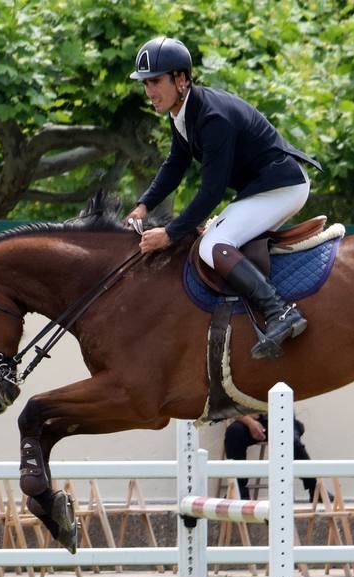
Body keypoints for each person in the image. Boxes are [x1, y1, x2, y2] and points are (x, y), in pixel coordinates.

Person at [124, 36, 322, 360]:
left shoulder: (212, 118)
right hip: (263, 189)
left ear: (181, 79)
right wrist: (144, 204)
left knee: (212, 245)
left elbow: (212, 191)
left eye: (155, 81)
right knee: (215, 239)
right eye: (145, 83)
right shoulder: (183, 114)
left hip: (281, 188)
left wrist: (170, 234)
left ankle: (280, 312)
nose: (149, 92)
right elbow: (175, 163)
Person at [224, 414, 317, 502]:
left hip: (279, 418)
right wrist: (250, 422)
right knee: (233, 432)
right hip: (248, 419)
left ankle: (315, 488)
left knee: (290, 436)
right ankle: (239, 492)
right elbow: (230, 406)